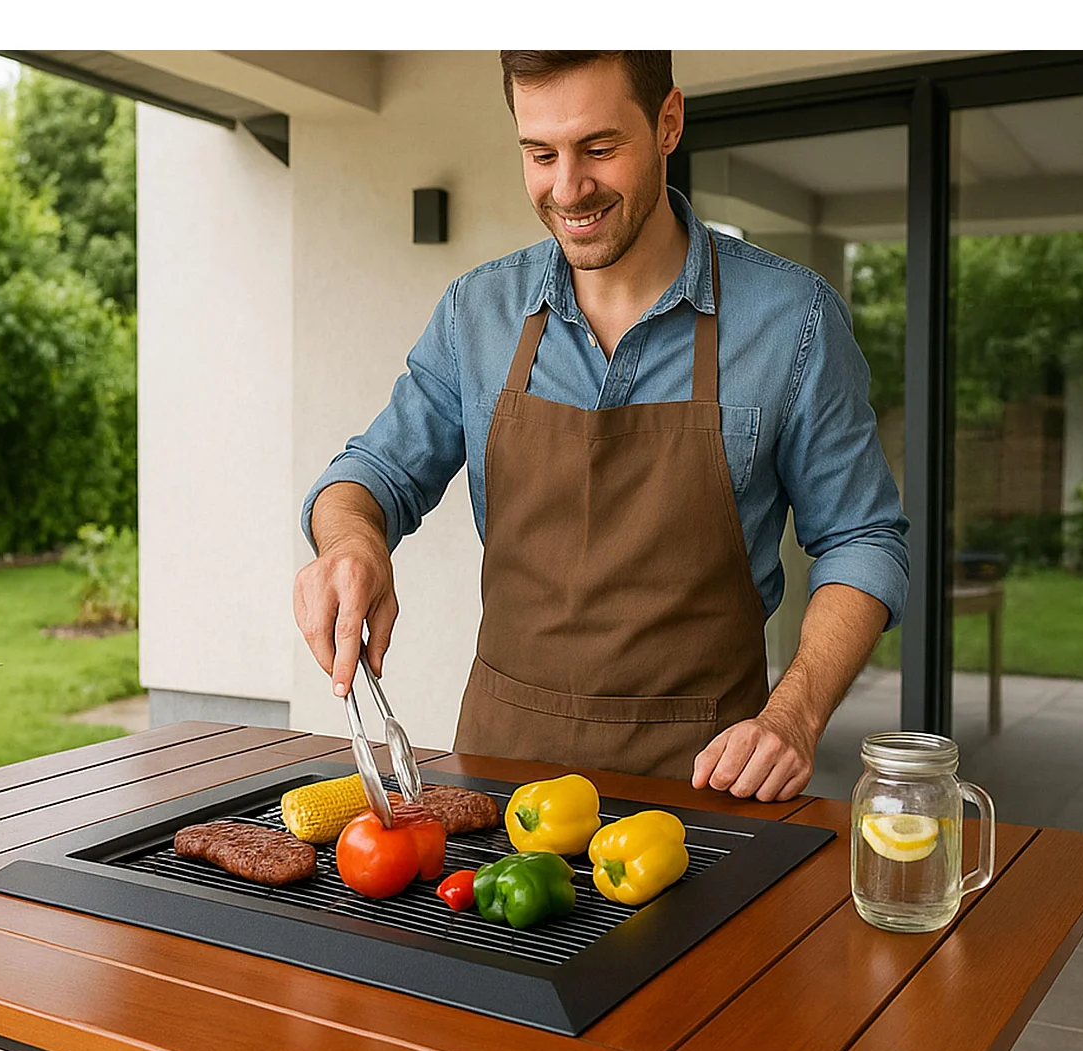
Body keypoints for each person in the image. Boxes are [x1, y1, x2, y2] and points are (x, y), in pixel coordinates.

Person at [294, 50, 909, 802]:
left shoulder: (793, 322)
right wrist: (353, 542)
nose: (567, 188)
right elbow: (369, 477)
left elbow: (862, 540)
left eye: (599, 148)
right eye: (540, 153)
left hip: (705, 790)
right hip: (498, 785)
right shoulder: (476, 314)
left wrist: (795, 713)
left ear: (668, 123)